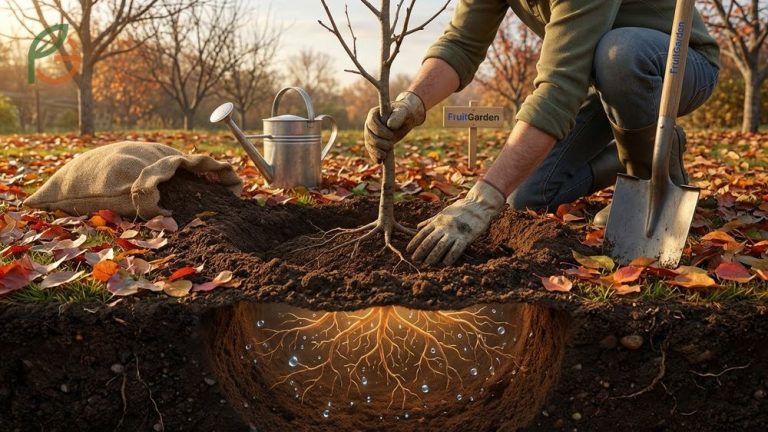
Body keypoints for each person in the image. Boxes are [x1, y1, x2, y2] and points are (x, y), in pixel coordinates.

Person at [364, 0, 720, 266]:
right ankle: (639, 145)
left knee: (620, 54)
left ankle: (649, 174)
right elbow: (461, 44)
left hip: (675, 64)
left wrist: (481, 200)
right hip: (600, 84)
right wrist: (412, 102)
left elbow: (558, 88)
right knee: (527, 195)